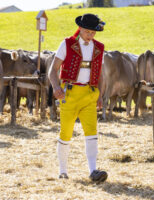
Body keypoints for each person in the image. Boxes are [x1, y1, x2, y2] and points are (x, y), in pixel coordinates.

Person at [48, 13, 107, 182]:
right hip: (70, 94)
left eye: (93, 33)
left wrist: (100, 95)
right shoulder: (67, 44)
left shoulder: (99, 48)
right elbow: (53, 69)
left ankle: (93, 170)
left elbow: (101, 74)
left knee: (92, 132)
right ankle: (63, 170)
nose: (90, 36)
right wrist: (56, 87)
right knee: (66, 132)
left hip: (90, 94)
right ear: (80, 28)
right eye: (88, 32)